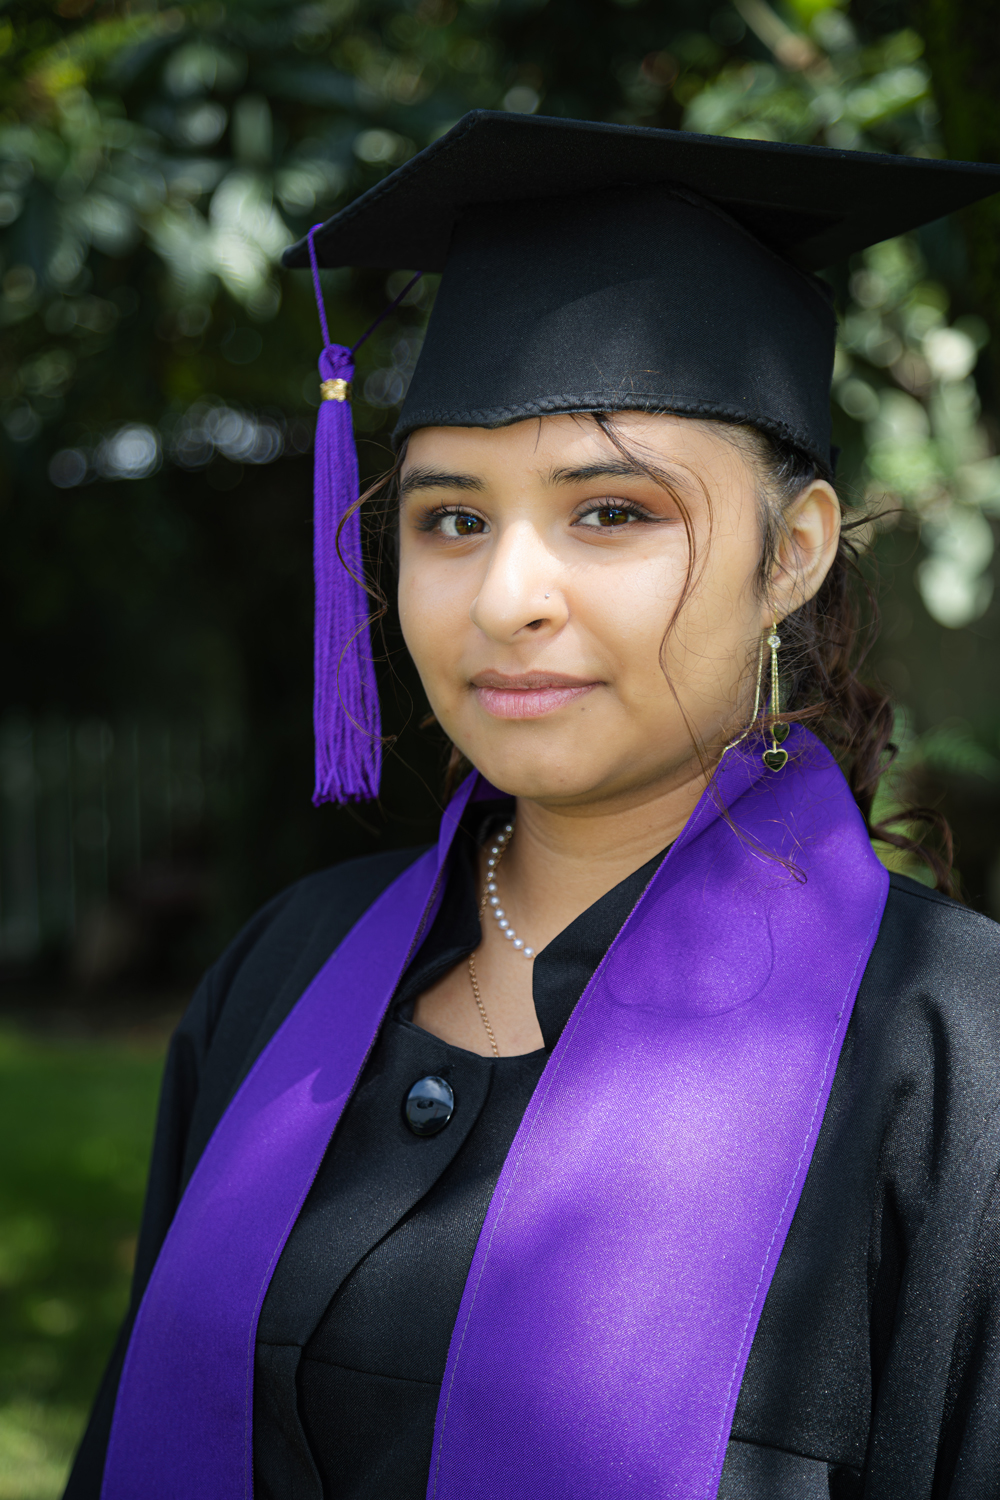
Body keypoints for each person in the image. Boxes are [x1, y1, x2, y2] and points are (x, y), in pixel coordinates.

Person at [66, 113, 1000, 1500]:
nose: (506, 597)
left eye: (610, 511)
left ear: (794, 553)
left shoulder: (951, 1055)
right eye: (451, 519)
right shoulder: (282, 970)